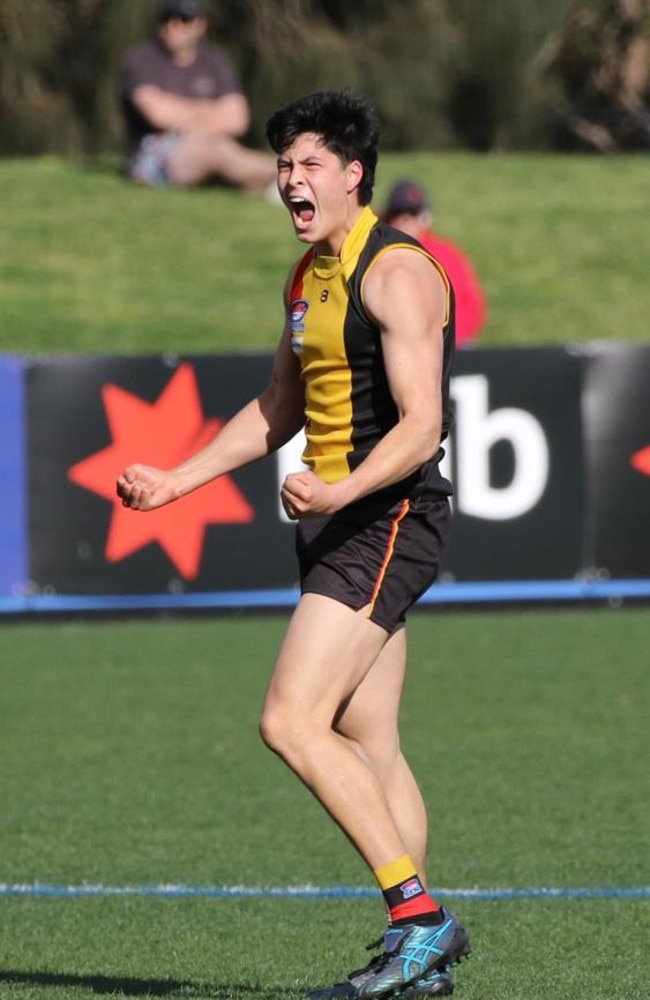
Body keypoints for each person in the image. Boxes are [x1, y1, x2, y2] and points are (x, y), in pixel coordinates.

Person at [116, 90, 470, 999]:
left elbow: (422, 426)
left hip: (387, 516)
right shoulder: (308, 275)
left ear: (356, 174)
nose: (290, 181)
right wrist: (174, 481)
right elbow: (279, 408)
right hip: (336, 519)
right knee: (369, 736)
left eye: (310, 164)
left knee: (289, 720)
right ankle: (415, 958)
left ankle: (420, 922)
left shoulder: (398, 273)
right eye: (282, 165)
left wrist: (344, 488)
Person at [119, 0, 277, 194]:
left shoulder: (215, 62)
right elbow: (158, 115)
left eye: (184, 19)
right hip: (153, 155)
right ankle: (279, 172)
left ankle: (274, 182)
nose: (173, 26)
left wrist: (182, 115)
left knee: (219, 148)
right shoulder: (141, 60)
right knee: (216, 149)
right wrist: (210, 110)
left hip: (212, 145)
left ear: (200, 25)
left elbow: (237, 120)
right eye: (166, 18)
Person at [382, 180, 487, 346]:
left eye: (412, 213)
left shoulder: (447, 255)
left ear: (424, 218)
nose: (405, 220)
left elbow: (472, 307)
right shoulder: (376, 251)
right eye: (398, 213)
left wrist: (445, 339)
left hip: (445, 343)